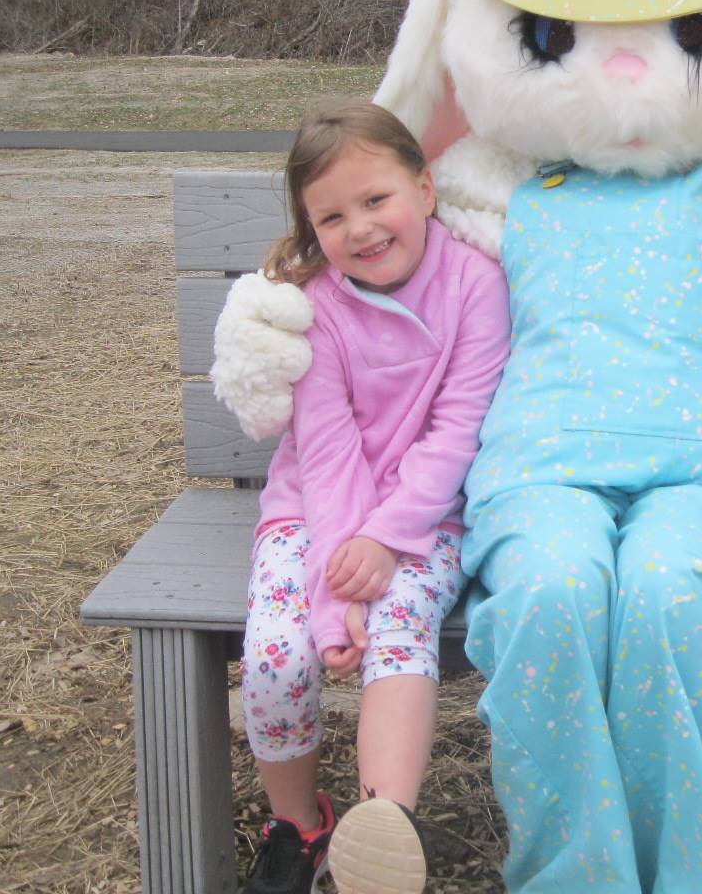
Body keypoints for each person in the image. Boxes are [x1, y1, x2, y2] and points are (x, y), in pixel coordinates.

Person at [236, 102, 510, 894]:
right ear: (311, 229)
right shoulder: (316, 305)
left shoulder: (475, 286)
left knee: (401, 627)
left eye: (376, 200)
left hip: (430, 518)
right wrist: (331, 594)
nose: (359, 228)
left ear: (425, 189)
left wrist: (389, 541)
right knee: (277, 651)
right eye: (331, 215)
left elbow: (459, 431)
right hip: (315, 517)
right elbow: (325, 454)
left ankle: (380, 835)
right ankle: (299, 826)